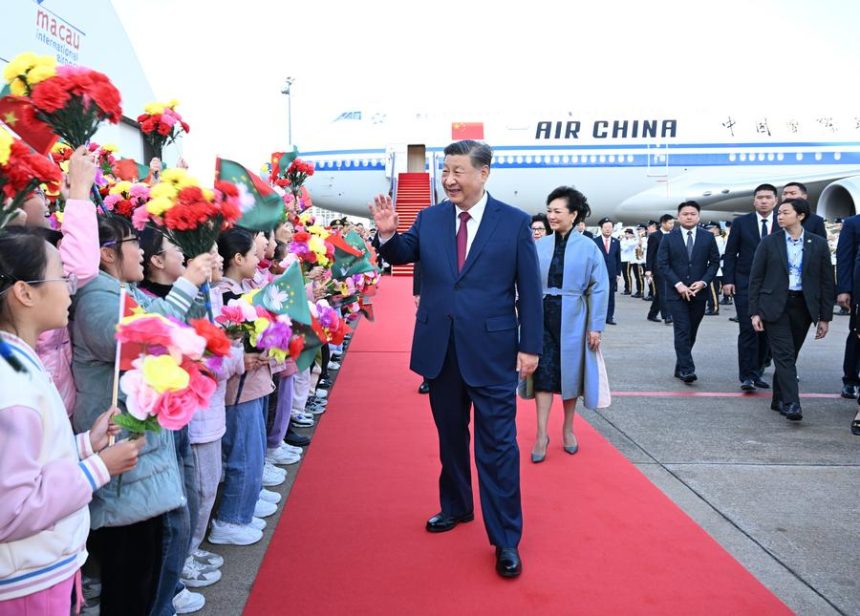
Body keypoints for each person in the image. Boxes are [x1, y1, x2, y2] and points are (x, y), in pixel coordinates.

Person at [370, 140, 542, 579]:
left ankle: (506, 538)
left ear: (483, 174)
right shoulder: (429, 218)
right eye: (445, 171)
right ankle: (457, 506)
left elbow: (531, 292)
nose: (449, 180)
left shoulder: (515, 223)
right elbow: (403, 255)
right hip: (440, 349)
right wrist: (388, 233)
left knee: (498, 447)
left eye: (458, 171)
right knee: (450, 438)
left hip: (493, 350)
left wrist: (531, 346)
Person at [0, 229, 142, 613]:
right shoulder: (11, 385)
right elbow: (11, 510)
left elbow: (32, 462)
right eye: (61, 276)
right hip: (27, 580)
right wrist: (98, 468)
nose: (70, 288)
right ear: (24, 292)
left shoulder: (19, 363)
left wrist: (84, 445)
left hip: (42, 566)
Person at [531, 186, 610, 463]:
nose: (551, 216)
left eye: (557, 211)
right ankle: (541, 433)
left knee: (568, 375)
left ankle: (568, 428)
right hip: (541, 316)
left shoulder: (589, 247)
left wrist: (596, 326)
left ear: (573, 214)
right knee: (542, 374)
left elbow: (600, 288)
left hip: (574, 317)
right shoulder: (539, 245)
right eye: (549, 210)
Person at [748, 198, 834, 421]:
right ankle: (792, 403)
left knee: (790, 355)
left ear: (800, 215)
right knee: (784, 354)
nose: (779, 216)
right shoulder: (769, 242)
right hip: (775, 305)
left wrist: (825, 317)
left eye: (785, 212)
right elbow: (756, 278)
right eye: (779, 213)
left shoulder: (818, 243)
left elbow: (826, 282)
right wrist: (754, 312)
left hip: (803, 306)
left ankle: (778, 398)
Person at [656, 201, 720, 383]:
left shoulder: (708, 237)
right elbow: (663, 264)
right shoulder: (669, 238)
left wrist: (703, 282)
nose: (689, 216)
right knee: (682, 330)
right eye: (685, 214)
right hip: (677, 293)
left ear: (698, 216)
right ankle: (687, 369)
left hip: (699, 293)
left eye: (693, 213)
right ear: (678, 217)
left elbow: (714, 262)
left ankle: (680, 366)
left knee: (691, 331)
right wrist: (678, 284)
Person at [722, 184, 778, 392]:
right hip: (745, 284)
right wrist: (728, 280)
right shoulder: (741, 223)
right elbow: (730, 253)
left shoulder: (782, 222)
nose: (764, 201)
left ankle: (757, 371)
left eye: (768, 197)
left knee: (765, 331)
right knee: (747, 329)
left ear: (775, 200)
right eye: (760, 197)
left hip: (773, 286)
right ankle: (746, 376)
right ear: (754, 201)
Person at [835, 212, 860, 398]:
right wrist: (844, 289)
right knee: (857, 335)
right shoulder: (853, 223)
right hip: (857, 289)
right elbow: (845, 258)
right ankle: (851, 379)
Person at [646, 214, 674, 323]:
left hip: (671, 268)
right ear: (663, 223)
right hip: (659, 268)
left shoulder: (674, 234)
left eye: (672, 223)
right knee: (664, 291)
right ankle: (667, 316)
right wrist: (649, 269)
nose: (672, 225)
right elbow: (650, 254)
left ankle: (652, 314)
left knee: (660, 293)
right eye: (670, 223)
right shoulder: (654, 236)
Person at [594, 218, 621, 324]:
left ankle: (609, 317)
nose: (608, 229)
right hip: (598, 273)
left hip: (611, 274)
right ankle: (598, 316)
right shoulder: (595, 241)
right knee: (598, 295)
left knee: (610, 296)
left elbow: (618, 258)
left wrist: (618, 273)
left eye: (610, 227)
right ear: (601, 229)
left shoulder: (616, 242)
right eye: (605, 227)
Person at [620, 228, 638, 295]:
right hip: (623, 259)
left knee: (627, 274)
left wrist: (627, 243)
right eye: (626, 233)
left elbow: (626, 248)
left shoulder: (633, 241)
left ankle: (629, 289)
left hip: (628, 259)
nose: (626, 235)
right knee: (624, 275)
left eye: (628, 233)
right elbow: (622, 247)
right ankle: (626, 288)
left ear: (632, 234)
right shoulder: (623, 240)